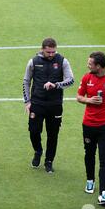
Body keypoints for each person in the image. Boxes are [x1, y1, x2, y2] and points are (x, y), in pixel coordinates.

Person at [77, 51, 105, 207]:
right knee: (89, 154)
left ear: (99, 66)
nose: (88, 65)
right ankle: (90, 180)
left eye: (90, 64)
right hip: (88, 125)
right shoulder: (86, 78)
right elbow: (79, 96)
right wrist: (89, 100)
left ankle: (103, 193)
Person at [23, 38, 74, 173]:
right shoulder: (33, 62)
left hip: (55, 104)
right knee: (34, 131)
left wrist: (56, 85)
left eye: (53, 52)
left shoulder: (62, 61)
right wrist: (27, 101)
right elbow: (26, 81)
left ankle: (49, 161)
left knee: (53, 134)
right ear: (42, 49)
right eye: (48, 52)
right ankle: (38, 151)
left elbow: (71, 80)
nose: (51, 54)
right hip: (37, 103)